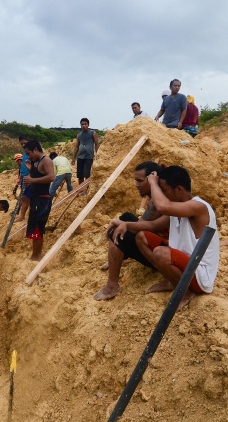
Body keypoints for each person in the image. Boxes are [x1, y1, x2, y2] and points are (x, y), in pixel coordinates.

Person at [136, 166, 220, 310]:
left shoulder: (198, 206)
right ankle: (171, 281)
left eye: (164, 190)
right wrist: (123, 225)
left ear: (179, 189)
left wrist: (153, 183)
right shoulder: (178, 208)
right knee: (141, 237)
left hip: (199, 275)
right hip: (184, 265)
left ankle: (185, 292)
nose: (162, 194)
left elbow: (162, 206)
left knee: (160, 253)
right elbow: (152, 226)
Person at [94, 161, 165, 301]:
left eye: (139, 181)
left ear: (151, 179)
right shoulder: (157, 196)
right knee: (126, 217)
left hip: (161, 254)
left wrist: (118, 223)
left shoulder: (157, 202)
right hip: (158, 241)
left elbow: (141, 226)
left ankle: (112, 285)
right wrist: (122, 222)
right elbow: (141, 223)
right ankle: (117, 257)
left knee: (118, 234)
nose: (136, 185)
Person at [23, 140, 55, 260]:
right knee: (34, 228)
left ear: (35, 150)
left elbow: (51, 177)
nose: (29, 156)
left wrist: (32, 180)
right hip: (36, 199)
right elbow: (38, 176)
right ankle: (35, 255)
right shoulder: (36, 162)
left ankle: (36, 256)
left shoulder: (46, 160)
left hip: (42, 200)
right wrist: (31, 170)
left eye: (29, 153)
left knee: (37, 229)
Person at [72, 118, 100, 189]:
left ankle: (86, 190)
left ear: (88, 125)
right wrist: (73, 158)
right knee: (80, 175)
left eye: (85, 124)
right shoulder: (79, 135)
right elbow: (76, 147)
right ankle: (81, 189)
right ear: (80, 125)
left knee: (87, 174)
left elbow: (96, 144)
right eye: (82, 124)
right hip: (80, 157)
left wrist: (98, 155)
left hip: (89, 157)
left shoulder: (92, 133)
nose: (84, 125)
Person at [15, 137, 32, 222]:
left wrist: (29, 177)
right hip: (23, 178)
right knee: (25, 197)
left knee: (30, 198)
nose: (23, 145)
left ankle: (31, 216)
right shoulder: (25, 153)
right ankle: (22, 216)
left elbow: (33, 166)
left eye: (24, 143)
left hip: (29, 178)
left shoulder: (31, 152)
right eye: (21, 143)